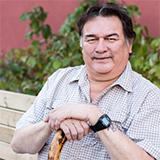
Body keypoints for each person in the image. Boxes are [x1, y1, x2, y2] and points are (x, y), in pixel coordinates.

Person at [11, 2, 160, 160]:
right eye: (92, 39)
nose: (100, 48)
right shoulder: (60, 79)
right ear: (82, 45)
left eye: (110, 38)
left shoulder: (148, 96)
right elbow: (18, 144)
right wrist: (52, 123)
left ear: (129, 44)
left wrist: (95, 116)